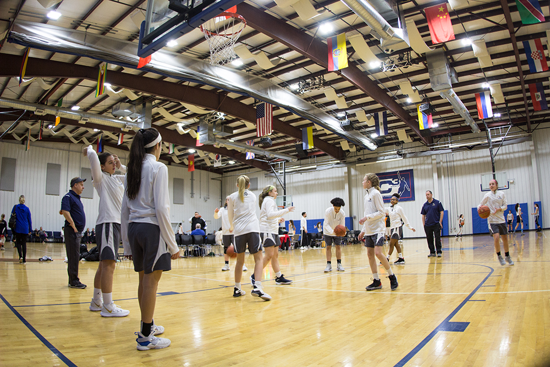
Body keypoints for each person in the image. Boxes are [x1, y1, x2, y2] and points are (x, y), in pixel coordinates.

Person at [121, 127, 179, 350]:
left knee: (143, 281)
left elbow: (124, 210)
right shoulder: (158, 167)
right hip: (151, 230)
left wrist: (126, 242)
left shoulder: (132, 169)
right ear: (157, 146)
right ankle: (146, 336)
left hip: (134, 230)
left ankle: (148, 324)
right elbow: (162, 208)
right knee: (151, 283)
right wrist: (172, 244)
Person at [84, 145, 130, 318]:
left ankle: (97, 301)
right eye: (110, 162)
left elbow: (133, 176)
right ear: (102, 166)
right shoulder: (100, 179)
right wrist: (89, 150)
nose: (113, 164)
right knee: (110, 264)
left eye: (114, 162)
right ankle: (108, 306)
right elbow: (94, 159)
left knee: (103, 264)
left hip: (115, 224)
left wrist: (120, 165)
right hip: (108, 223)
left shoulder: (117, 178)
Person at [227, 175, 271, 301]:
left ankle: (237, 288)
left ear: (237, 185)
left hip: (239, 231)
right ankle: (257, 286)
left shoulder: (231, 197)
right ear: (249, 185)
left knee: (240, 262)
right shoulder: (252, 195)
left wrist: (231, 226)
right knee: (258, 259)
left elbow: (230, 215)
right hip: (252, 229)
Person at [358, 173, 398, 291]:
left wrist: (367, 218)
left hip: (378, 229)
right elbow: (367, 215)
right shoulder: (367, 196)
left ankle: (392, 276)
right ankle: (376, 281)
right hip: (369, 230)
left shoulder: (376, 194)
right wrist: (363, 230)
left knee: (378, 253)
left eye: (364, 180)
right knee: (370, 255)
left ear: (369, 182)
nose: (362, 182)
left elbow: (381, 212)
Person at [257, 185, 294, 285]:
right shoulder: (268, 200)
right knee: (269, 256)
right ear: (270, 193)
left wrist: (278, 220)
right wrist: (286, 210)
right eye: (275, 191)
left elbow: (270, 216)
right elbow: (269, 215)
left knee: (275, 256)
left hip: (273, 231)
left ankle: (278, 277)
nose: (277, 193)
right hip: (267, 231)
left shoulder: (269, 201)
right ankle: (254, 276)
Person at [478, 179, 514, 266]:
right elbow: (480, 205)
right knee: (497, 237)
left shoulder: (502, 194)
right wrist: (480, 210)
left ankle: (507, 256)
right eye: (490, 184)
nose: (491, 185)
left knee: (505, 239)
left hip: (501, 219)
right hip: (492, 220)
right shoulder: (487, 195)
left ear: (496, 185)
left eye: (493, 184)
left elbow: (505, 206)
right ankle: (499, 256)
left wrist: (499, 209)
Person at [61, 179, 87, 287]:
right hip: (72, 230)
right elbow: (65, 211)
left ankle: (73, 279)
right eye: (81, 185)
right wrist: (73, 226)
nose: (83, 187)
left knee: (75, 256)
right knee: (73, 256)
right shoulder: (68, 197)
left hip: (76, 231)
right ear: (75, 185)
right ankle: (74, 281)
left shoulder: (76, 198)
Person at [214, 198, 247, 272]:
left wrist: (233, 227)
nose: (229, 201)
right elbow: (216, 217)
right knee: (226, 249)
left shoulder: (236, 209)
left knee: (238, 248)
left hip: (235, 232)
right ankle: (226, 265)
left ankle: (242, 264)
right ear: (226, 201)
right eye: (228, 199)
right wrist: (216, 212)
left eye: (230, 199)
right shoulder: (222, 209)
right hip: (226, 232)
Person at [385, 194, 415, 264]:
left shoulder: (399, 208)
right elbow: (381, 209)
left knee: (391, 244)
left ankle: (387, 258)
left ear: (397, 201)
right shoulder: (389, 208)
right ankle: (401, 258)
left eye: (393, 199)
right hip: (392, 228)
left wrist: (410, 227)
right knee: (396, 244)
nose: (392, 200)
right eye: (391, 199)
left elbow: (404, 218)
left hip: (397, 227)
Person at [323, 197, 346, 273]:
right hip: (327, 232)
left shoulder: (342, 213)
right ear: (333, 206)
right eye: (336, 209)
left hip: (337, 232)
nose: (337, 210)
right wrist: (333, 232)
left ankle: (339, 264)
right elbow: (326, 224)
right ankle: (328, 265)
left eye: (338, 209)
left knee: (338, 246)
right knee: (328, 247)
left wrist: (343, 232)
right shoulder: (328, 211)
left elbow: (342, 225)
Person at [421, 190, 444, 257]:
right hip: (428, 225)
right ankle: (432, 252)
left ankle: (439, 251)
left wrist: (440, 221)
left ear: (431, 194)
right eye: (426, 195)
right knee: (429, 239)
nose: (427, 196)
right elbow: (423, 215)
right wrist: (424, 224)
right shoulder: (425, 205)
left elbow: (441, 212)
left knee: (437, 238)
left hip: (436, 224)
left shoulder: (437, 203)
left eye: (428, 194)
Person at [11, 196, 32, 264]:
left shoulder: (15, 207)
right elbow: (29, 220)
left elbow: (12, 216)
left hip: (18, 228)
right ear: (24, 201)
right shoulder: (27, 209)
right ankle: (24, 259)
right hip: (25, 228)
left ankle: (20, 256)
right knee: (24, 244)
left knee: (18, 243)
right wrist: (30, 229)